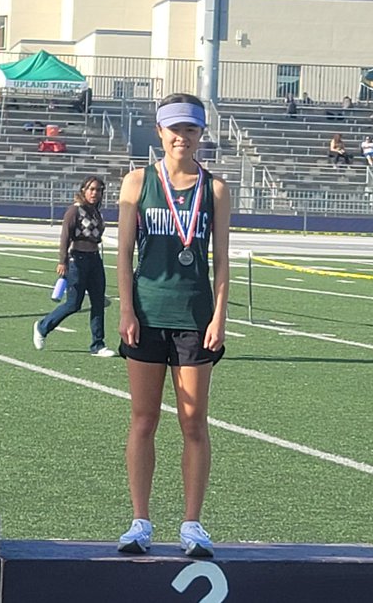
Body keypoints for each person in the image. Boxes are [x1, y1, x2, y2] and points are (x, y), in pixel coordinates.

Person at [115, 93, 230, 559]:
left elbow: (221, 260)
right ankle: (140, 521)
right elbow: (123, 253)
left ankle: (192, 525)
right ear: (159, 132)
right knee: (144, 420)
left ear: (202, 134)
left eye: (192, 130)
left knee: (194, 423)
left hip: (195, 317)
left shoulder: (216, 189)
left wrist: (220, 314)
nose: (183, 137)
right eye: (175, 129)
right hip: (147, 314)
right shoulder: (137, 182)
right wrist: (126, 309)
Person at [33, 176, 114, 356]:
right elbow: (65, 237)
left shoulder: (96, 212)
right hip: (77, 260)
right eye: (91, 189)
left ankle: (98, 344)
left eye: (99, 190)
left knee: (98, 301)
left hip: (95, 259)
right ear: (83, 190)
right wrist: (62, 261)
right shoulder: (74, 211)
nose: (95, 193)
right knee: (73, 304)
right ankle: (42, 326)